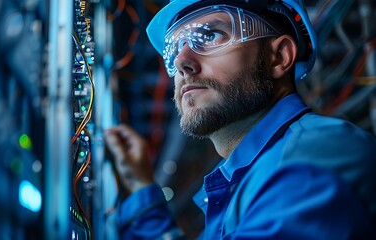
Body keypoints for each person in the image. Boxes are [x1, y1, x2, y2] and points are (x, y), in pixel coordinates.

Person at [104, 0, 376, 239]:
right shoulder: (245, 179)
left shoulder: (314, 156)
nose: (181, 61)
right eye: (174, 48)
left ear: (279, 57)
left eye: (209, 35)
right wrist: (140, 186)